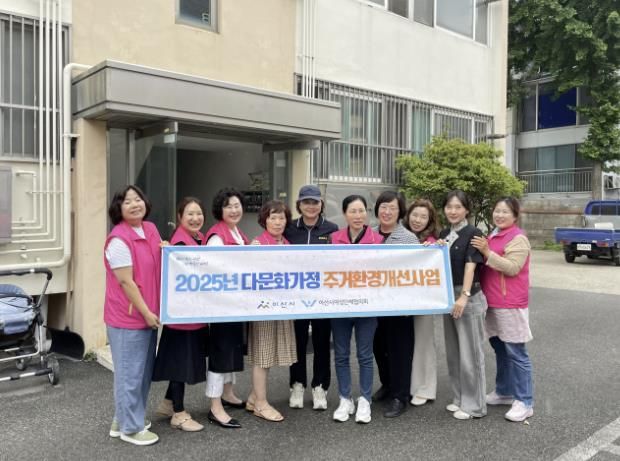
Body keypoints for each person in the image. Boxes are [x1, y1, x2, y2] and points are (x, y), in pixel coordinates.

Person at [104, 185, 161, 446]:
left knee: (141, 373)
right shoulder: (119, 240)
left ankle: (123, 419)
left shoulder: (150, 229)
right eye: (127, 201)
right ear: (119, 208)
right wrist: (147, 312)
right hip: (128, 318)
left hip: (148, 314)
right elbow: (126, 282)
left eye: (138, 199)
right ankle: (131, 428)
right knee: (129, 374)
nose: (135, 204)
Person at [471, 197, 534, 422]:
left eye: (505, 211)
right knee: (500, 349)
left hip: (511, 303)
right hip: (492, 301)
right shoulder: (493, 235)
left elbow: (513, 268)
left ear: (515, 215)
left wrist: (488, 253)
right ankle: (504, 391)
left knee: (516, 352)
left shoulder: (518, 238)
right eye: (497, 211)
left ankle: (525, 401)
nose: (499, 215)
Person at [153, 197, 209, 432]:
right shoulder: (179, 243)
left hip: (193, 314)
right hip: (182, 318)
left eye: (199, 213)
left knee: (182, 361)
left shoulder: (199, 238)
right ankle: (179, 413)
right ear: (180, 217)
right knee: (180, 364)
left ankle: (167, 404)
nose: (195, 218)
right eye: (190, 214)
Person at [330, 195, 383, 424]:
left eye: (362, 211)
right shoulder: (334, 238)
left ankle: (365, 399)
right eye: (353, 211)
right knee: (341, 355)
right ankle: (345, 398)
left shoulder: (378, 240)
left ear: (367, 213)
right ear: (345, 214)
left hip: (367, 306)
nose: (358, 216)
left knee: (364, 355)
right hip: (339, 306)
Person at [284, 185, 338, 410]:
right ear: (299, 204)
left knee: (321, 342)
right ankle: (297, 385)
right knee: (296, 342)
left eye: (315, 202)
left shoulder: (332, 228)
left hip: (322, 296)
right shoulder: (289, 228)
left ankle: (320, 387)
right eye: (306, 202)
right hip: (295, 296)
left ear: (321, 204)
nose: (311, 206)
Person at [245, 200, 298, 422]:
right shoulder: (257, 245)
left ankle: (253, 398)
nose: (277, 222)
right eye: (272, 217)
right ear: (264, 220)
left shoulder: (287, 244)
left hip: (282, 306)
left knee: (270, 353)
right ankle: (261, 403)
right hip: (264, 307)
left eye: (281, 217)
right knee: (263, 355)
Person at [439, 190, 488, 420]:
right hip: (448, 297)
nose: (453, 211)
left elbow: (471, 265)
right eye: (449, 206)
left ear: (467, 209)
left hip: (468, 297)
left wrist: (464, 296)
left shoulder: (474, 233)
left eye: (458, 207)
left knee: (471, 354)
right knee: (454, 352)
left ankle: (475, 405)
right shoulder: (444, 233)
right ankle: (459, 398)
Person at [203, 188, 248, 429]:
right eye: (228, 206)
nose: (234, 210)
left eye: (237, 205)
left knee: (232, 349)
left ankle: (228, 393)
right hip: (221, 306)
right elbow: (214, 271)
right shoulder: (216, 236)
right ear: (220, 210)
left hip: (235, 305)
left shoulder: (238, 233)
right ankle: (215, 406)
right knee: (221, 354)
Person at [372, 190, 419, 418]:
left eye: (392, 208)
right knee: (378, 347)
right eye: (383, 207)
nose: (387, 211)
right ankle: (388, 384)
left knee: (399, 350)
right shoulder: (369, 234)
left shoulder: (409, 238)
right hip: (373, 304)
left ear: (400, 212)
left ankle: (401, 396)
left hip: (400, 306)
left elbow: (417, 272)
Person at [403, 198, 440, 407]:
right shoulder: (401, 236)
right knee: (405, 344)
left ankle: (425, 388)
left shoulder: (433, 242)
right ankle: (406, 385)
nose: (417, 220)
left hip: (424, 301)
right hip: (401, 299)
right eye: (415, 215)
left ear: (430, 220)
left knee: (424, 343)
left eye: (423, 217)